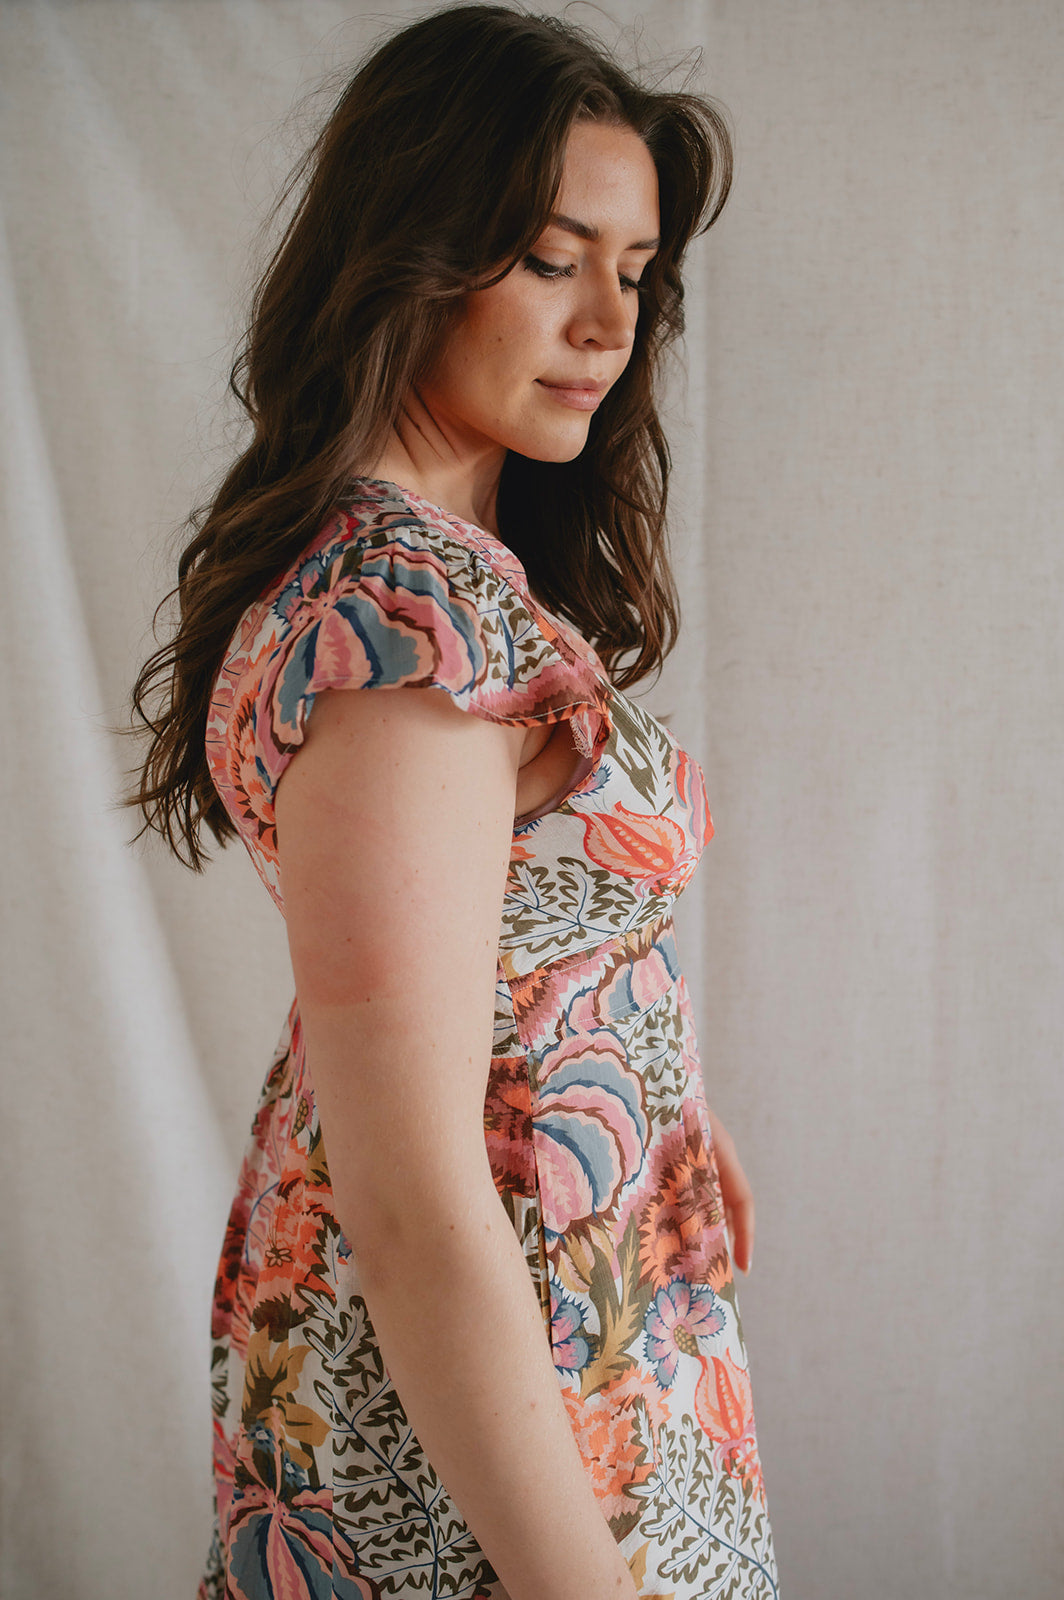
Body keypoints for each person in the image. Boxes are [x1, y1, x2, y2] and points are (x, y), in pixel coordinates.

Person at [127, 6, 778, 1597]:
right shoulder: (410, 642)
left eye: (636, 273)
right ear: (414, 253)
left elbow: (481, 965)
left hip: (559, 1303)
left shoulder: (446, 588)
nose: (608, 324)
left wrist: (658, 1085)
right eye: (553, 259)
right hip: (493, 1376)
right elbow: (415, 1201)